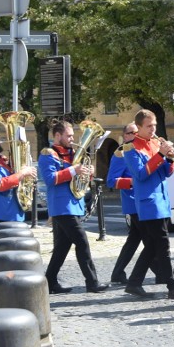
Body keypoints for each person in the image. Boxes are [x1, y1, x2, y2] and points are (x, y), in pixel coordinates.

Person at [122, 109, 174, 300]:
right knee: (163, 244)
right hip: (149, 202)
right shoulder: (130, 148)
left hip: (162, 200)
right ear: (139, 127)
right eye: (149, 126)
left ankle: (134, 282)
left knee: (152, 245)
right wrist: (160, 154)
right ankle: (172, 286)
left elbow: (166, 173)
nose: (153, 129)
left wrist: (169, 157)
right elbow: (141, 174)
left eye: (155, 125)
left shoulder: (155, 143)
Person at [38, 121, 108, 294]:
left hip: (74, 205)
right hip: (61, 206)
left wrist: (88, 171)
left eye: (72, 135)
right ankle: (92, 282)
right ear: (57, 136)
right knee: (82, 242)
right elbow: (50, 179)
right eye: (68, 136)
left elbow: (79, 179)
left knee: (62, 248)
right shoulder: (48, 154)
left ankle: (50, 281)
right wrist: (73, 171)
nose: (72, 139)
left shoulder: (72, 154)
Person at [108, 123, 158, 284]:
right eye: (132, 133)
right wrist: (134, 182)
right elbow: (111, 181)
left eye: (138, 132)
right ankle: (163, 272)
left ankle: (117, 273)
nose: (136, 135)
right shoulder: (121, 153)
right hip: (133, 202)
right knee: (151, 240)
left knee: (134, 240)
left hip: (143, 201)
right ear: (125, 136)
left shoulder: (142, 149)